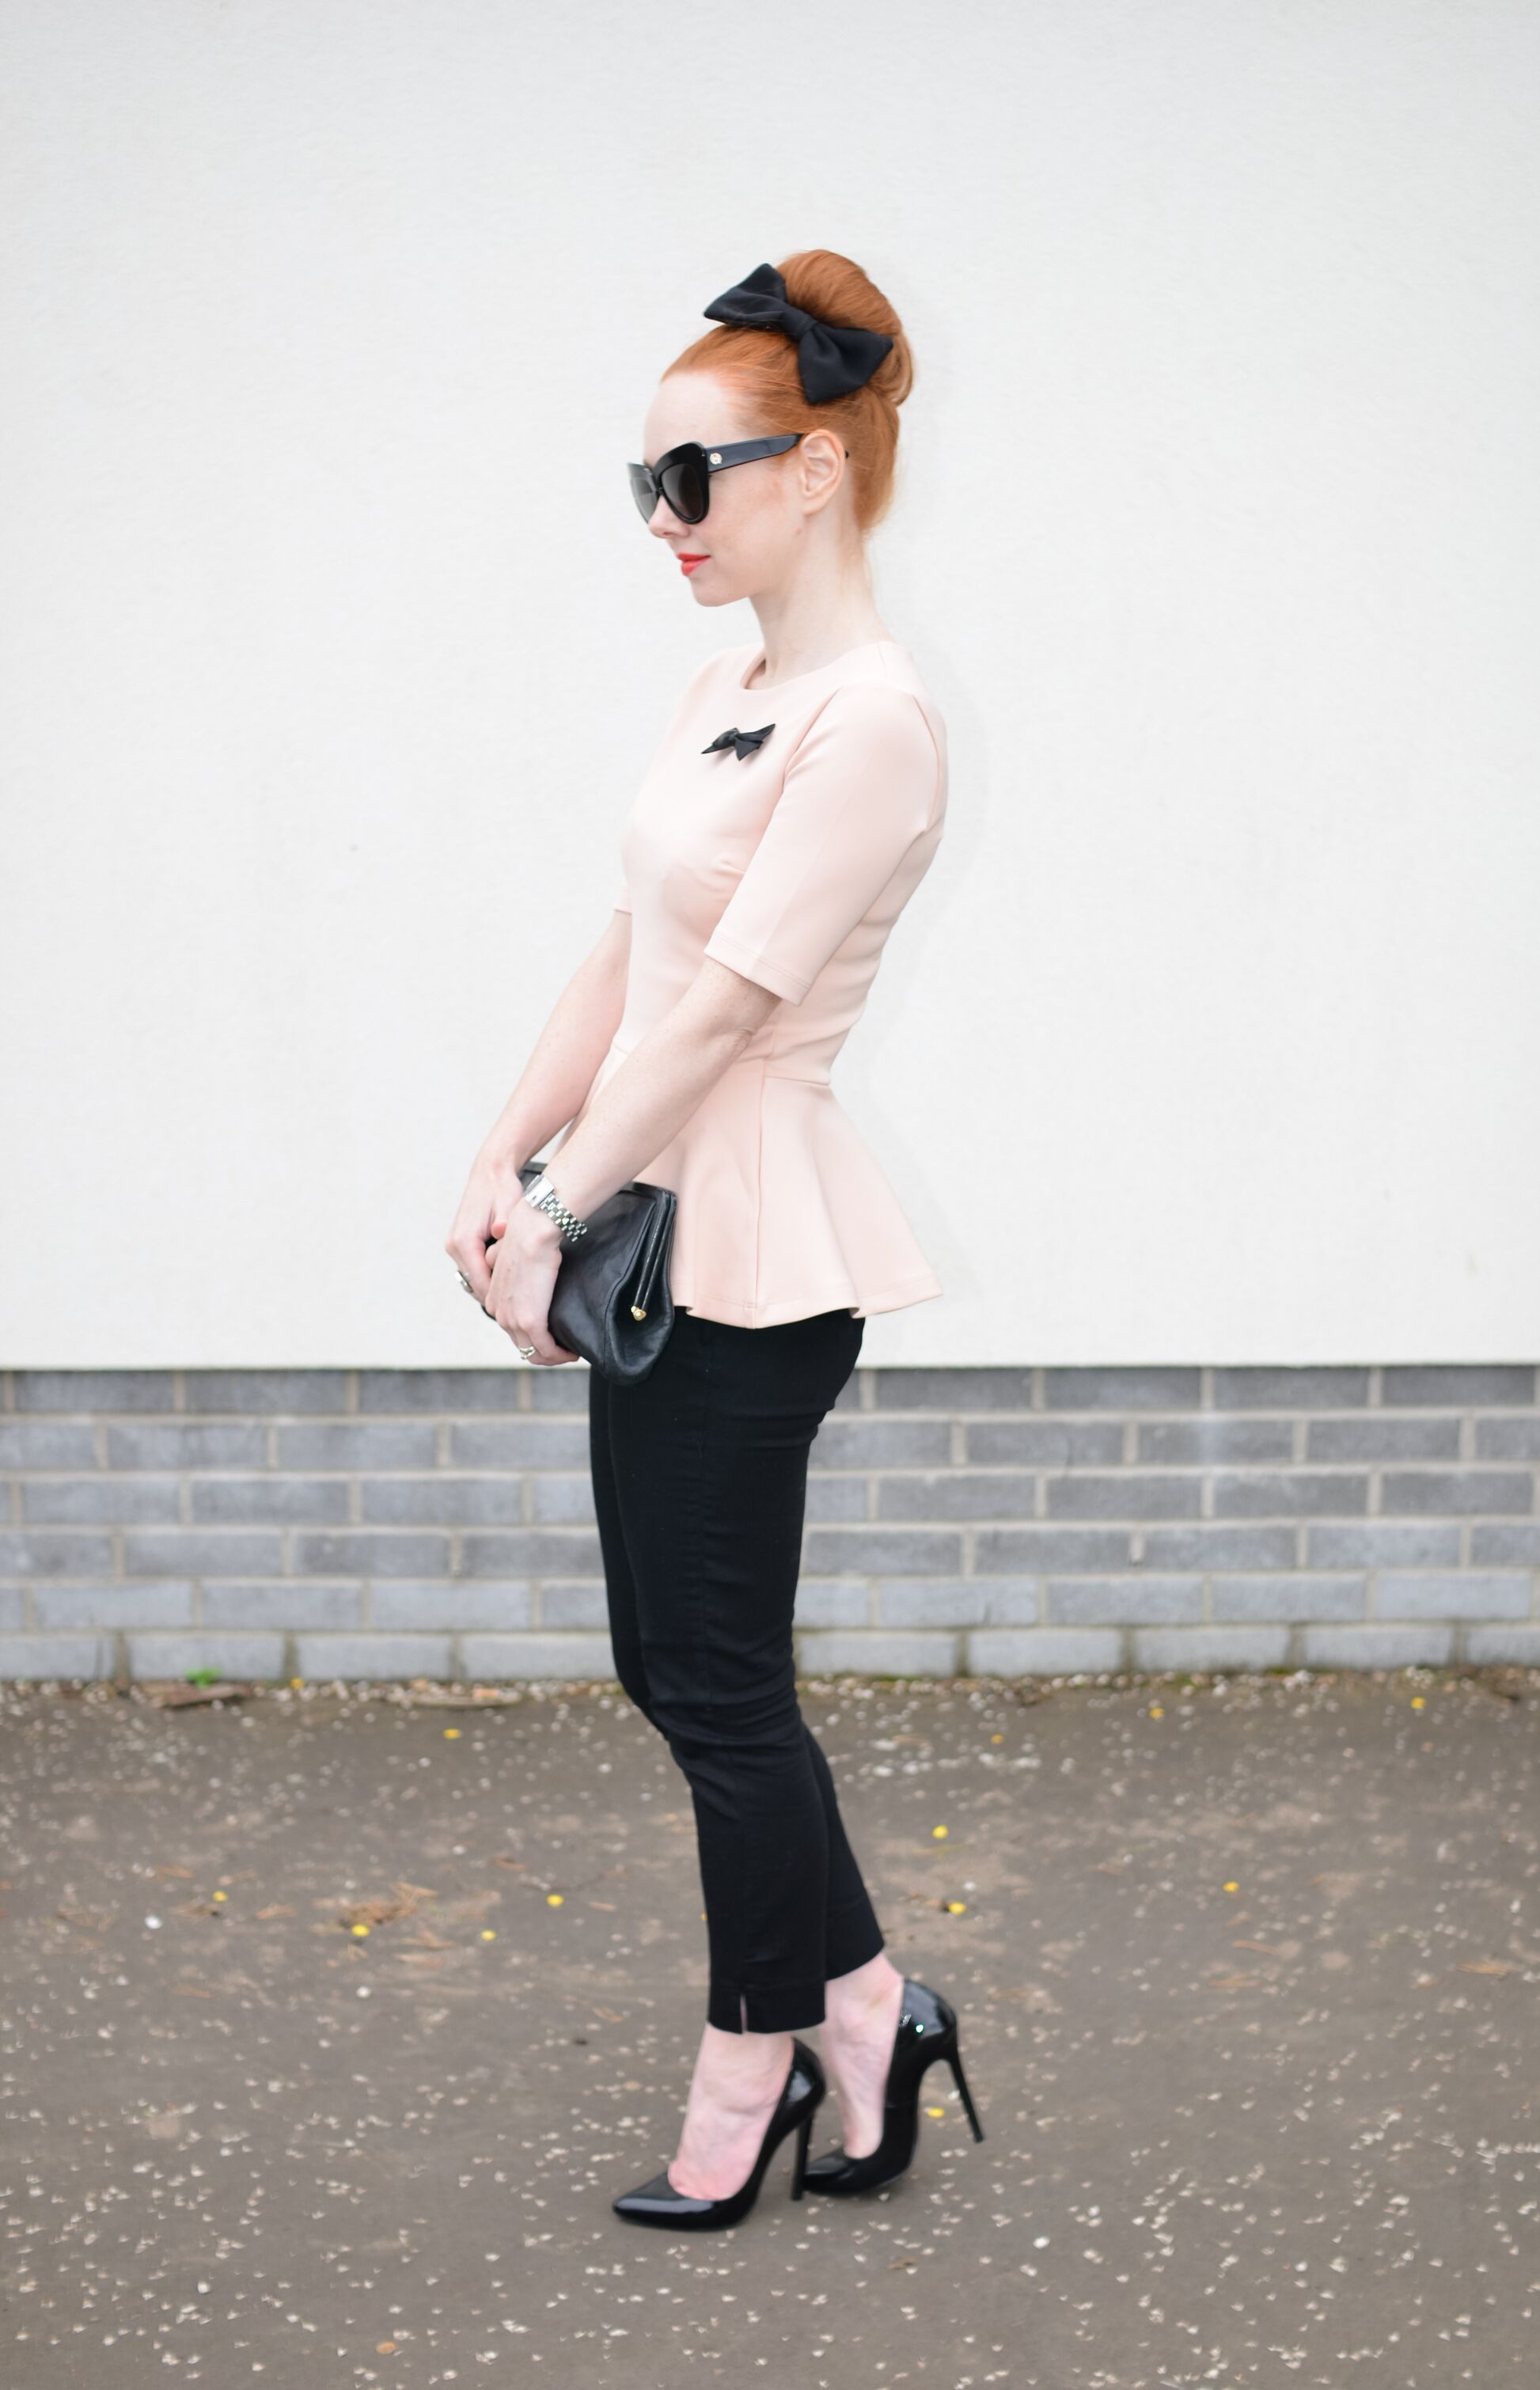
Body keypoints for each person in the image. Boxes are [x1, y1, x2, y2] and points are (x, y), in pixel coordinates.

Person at [446, 250, 983, 2229]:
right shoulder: (726, 686)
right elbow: (627, 948)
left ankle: (751, 2051)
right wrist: (500, 1153)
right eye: (645, 484)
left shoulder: (879, 722)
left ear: (821, 467)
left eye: (699, 476)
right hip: (647, 1213)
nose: (666, 521)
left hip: (747, 1246)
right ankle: (867, 2004)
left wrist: (563, 1202)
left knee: (721, 1687)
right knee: (669, 1667)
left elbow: (730, 1006)